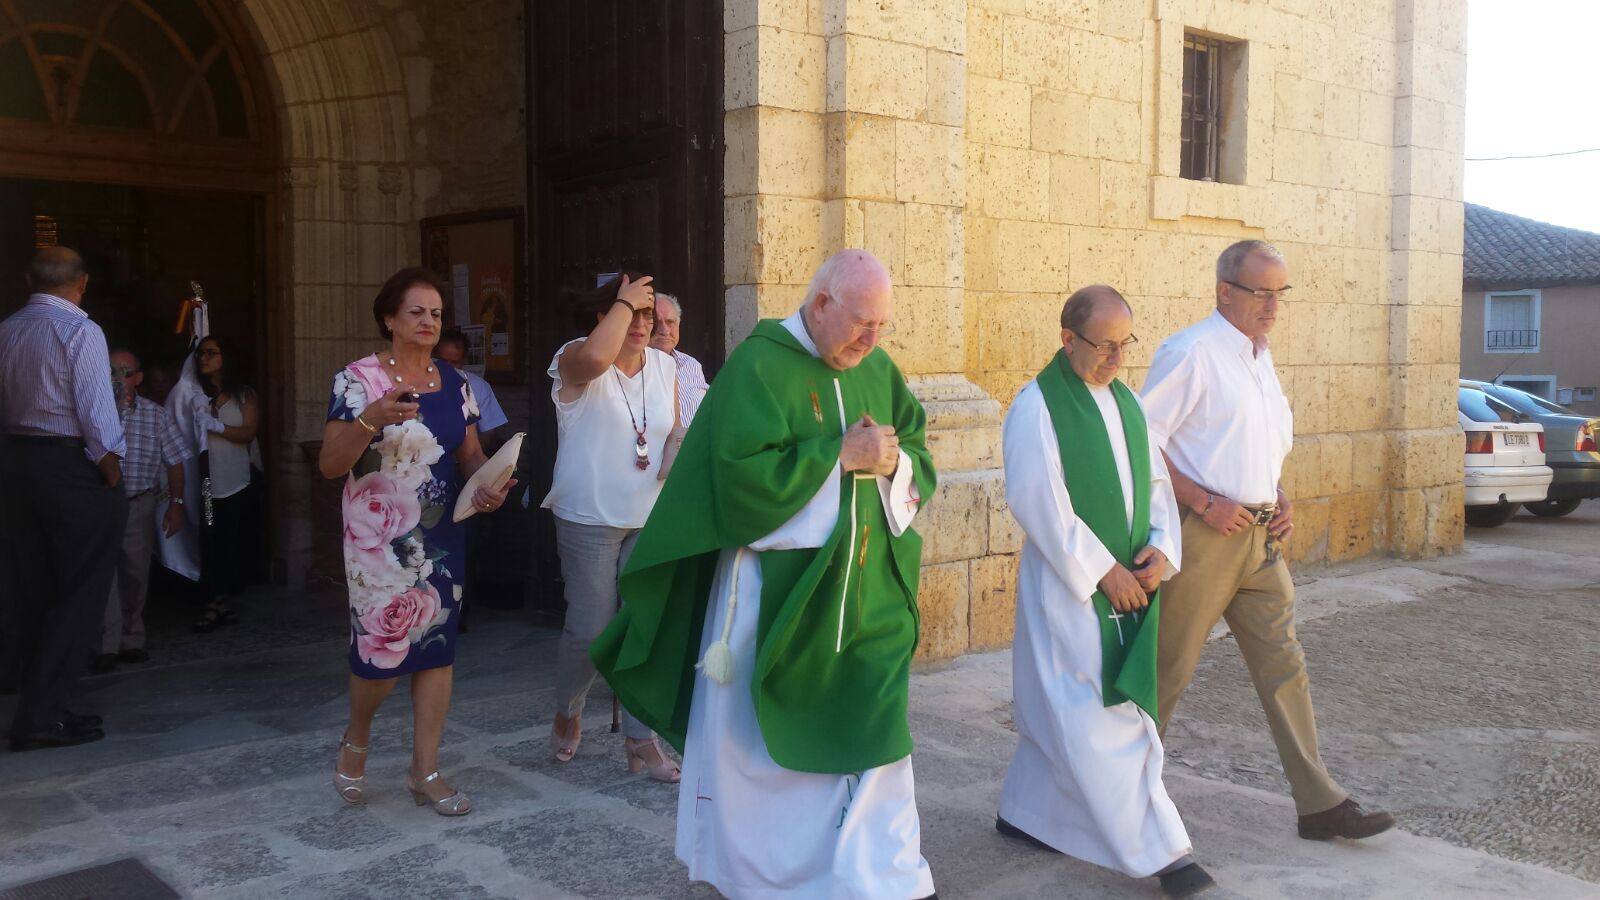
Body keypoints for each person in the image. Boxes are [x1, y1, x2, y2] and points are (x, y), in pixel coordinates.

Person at [592, 249, 939, 898]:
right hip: (773, 593)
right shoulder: (757, 367)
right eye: (862, 324)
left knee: (878, 728)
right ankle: (768, 875)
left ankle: (887, 874)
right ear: (821, 304)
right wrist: (837, 455)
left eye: (882, 328)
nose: (871, 340)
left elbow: (914, 444)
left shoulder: (877, 368)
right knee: (760, 750)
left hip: (862, 596)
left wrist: (893, 463)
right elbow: (738, 483)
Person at [1141, 240, 1396, 841]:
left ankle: (1319, 803)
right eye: (1261, 292)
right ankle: (1120, 796)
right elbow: (1138, 442)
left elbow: (1253, 443)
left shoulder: (1260, 357)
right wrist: (1203, 500)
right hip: (1203, 536)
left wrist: (1275, 492)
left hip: (1261, 538)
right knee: (1167, 670)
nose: (1273, 305)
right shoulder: (1191, 352)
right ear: (1225, 291)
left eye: (1281, 292)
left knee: (1285, 665)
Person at [995, 286, 1213, 897]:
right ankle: (1165, 852)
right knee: (1100, 718)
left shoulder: (1127, 404)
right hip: (1071, 591)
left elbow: (1156, 487)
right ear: (1068, 339)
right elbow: (1039, 502)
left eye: (1126, 344)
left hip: (1130, 583)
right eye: (1105, 345)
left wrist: (1163, 550)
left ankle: (1025, 812)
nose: (1118, 358)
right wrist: (1102, 572)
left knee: (1065, 713)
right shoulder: (1036, 406)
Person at [320, 267, 514, 815]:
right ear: (388, 319)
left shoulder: (457, 383)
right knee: (380, 656)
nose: (429, 321)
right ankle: (355, 740)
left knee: (435, 653)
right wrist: (370, 420)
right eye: (416, 312)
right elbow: (331, 464)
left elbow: (468, 455)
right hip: (377, 541)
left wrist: (489, 484)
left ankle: (425, 770)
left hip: (441, 533)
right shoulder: (356, 381)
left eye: (435, 313)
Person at [540, 272, 681, 782]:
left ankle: (642, 741)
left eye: (648, 314)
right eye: (631, 312)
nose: (642, 324)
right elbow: (598, 359)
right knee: (592, 630)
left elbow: (672, 426)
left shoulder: (665, 367)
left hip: (648, 517)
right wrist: (623, 301)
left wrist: (676, 445)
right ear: (603, 316)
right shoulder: (575, 358)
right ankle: (568, 707)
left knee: (643, 626)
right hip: (589, 516)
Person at [0, 246, 126, 751]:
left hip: (15, 465)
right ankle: (40, 715)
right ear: (83, 283)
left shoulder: (6, 329)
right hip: (70, 467)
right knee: (80, 593)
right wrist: (111, 473)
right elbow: (98, 415)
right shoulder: (79, 330)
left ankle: (42, 705)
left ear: (28, 278)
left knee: (30, 589)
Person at [94, 349, 190, 673]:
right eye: (112, 371)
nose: (118, 377)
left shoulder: (156, 414)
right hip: (103, 504)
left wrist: (176, 505)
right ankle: (105, 645)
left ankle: (131, 639)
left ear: (138, 377)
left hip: (139, 502)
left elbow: (175, 461)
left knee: (135, 573)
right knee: (102, 575)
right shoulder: (94, 412)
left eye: (125, 371)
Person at [191, 336, 262, 633]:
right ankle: (211, 602)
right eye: (201, 354)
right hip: (206, 485)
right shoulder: (193, 394)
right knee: (208, 540)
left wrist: (218, 427)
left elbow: (247, 432)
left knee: (230, 542)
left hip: (236, 482)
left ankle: (223, 600)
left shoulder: (244, 395)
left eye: (211, 353)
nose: (204, 358)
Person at [650, 292, 709, 424]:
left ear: (678, 324)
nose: (664, 331)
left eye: (670, 322)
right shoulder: (635, 366)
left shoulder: (691, 365)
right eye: (656, 322)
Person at [435, 329, 508, 436]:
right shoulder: (420, 382)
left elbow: (488, 431)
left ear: (464, 360)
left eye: (454, 362)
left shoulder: (477, 387)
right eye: (442, 361)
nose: (447, 367)